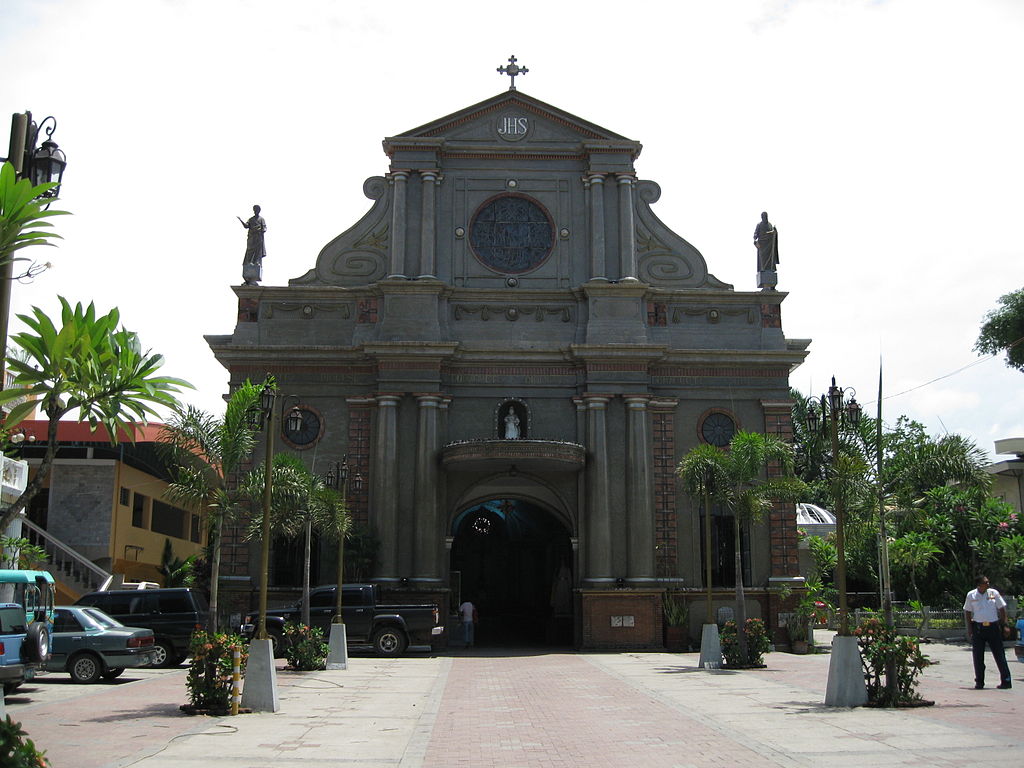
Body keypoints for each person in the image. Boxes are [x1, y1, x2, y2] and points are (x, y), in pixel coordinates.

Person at [963, 575, 1013, 689]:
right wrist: (970, 628)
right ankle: (979, 682)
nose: (988, 584)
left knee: (999, 654)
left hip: (993, 627)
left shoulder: (993, 593)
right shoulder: (971, 595)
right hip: (978, 627)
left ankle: (1006, 680)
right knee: (978, 656)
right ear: (979, 584)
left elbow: (1002, 609)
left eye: (988, 582)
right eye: (985, 582)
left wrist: (1005, 625)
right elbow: (967, 611)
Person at [238, 204, 267, 283]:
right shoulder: (251, 219)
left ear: (259, 211)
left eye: (257, 210)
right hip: (252, 238)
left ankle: (256, 262)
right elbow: (246, 226)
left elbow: (264, 228)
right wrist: (241, 220)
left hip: (258, 237)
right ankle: (249, 262)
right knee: (250, 251)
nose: (255, 211)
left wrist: (260, 229)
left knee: (257, 251)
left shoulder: (261, 219)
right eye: (254, 210)